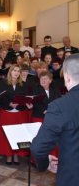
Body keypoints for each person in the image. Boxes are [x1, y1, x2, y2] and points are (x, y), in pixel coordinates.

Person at [31, 54, 79, 185]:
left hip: (73, 174)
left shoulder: (59, 106)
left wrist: (44, 164)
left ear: (67, 77)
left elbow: (38, 148)